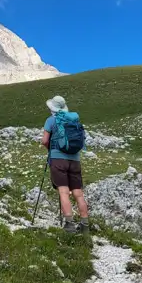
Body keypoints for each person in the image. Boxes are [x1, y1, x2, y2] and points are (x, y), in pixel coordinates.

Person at [41, 95, 89, 235]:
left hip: (58, 159)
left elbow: (45, 141)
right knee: (78, 194)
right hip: (75, 160)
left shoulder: (51, 120)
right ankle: (85, 225)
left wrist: (51, 150)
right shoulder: (75, 120)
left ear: (52, 108)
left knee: (63, 192)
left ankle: (69, 225)